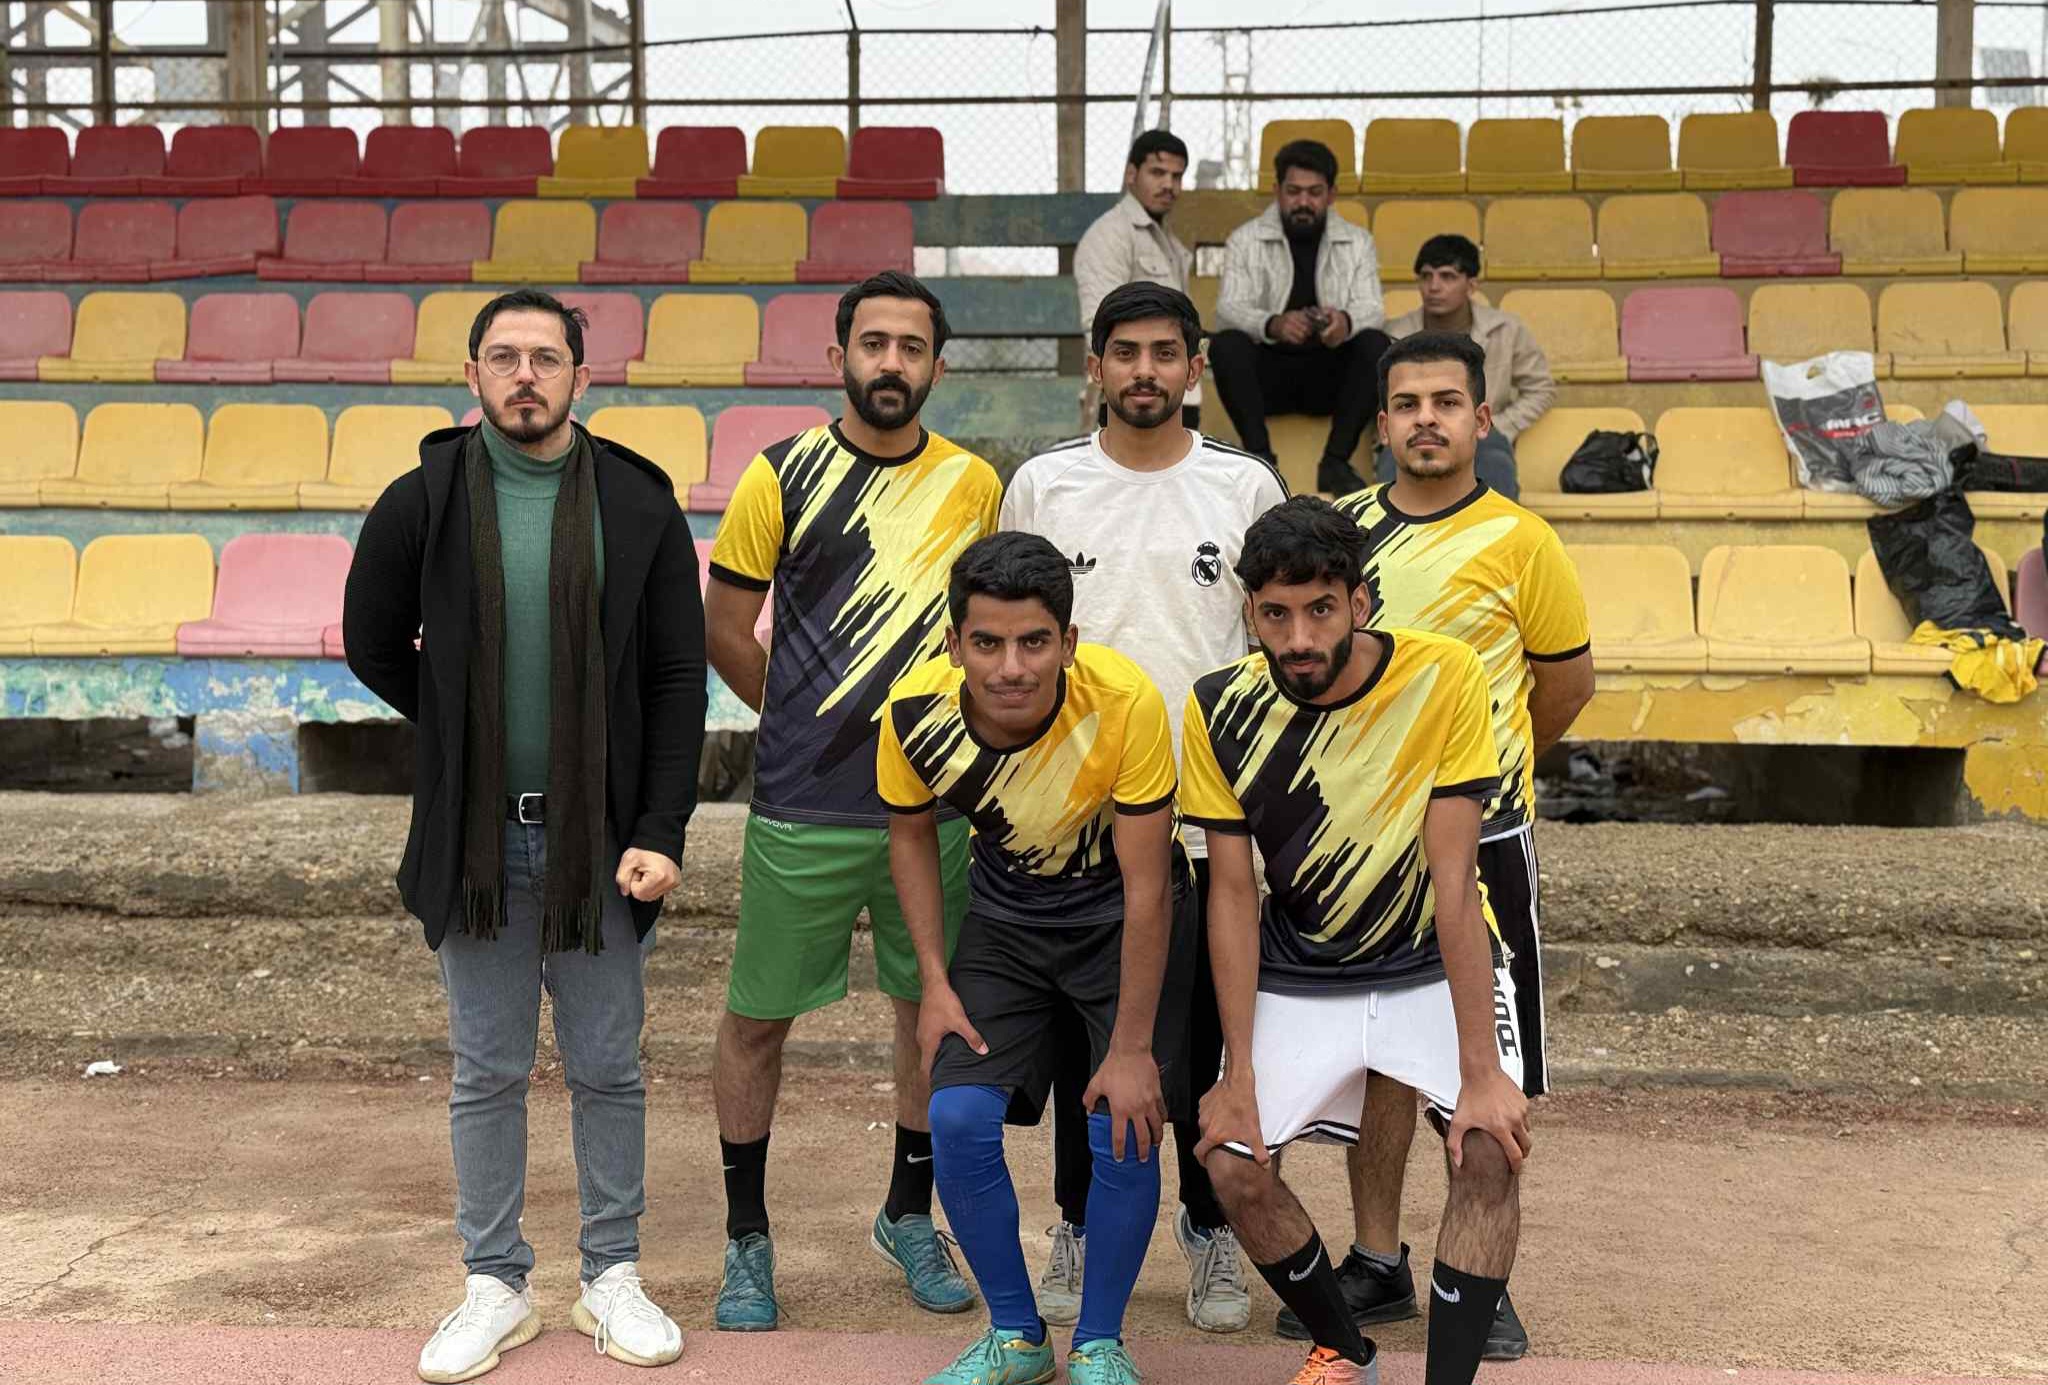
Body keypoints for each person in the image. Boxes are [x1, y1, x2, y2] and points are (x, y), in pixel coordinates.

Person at [344, 288, 705, 1382]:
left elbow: (676, 677)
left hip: (603, 843)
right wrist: (458, 722)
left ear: (581, 378)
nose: (525, 376)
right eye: (503, 357)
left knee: (608, 1068)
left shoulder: (636, 502)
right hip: (478, 843)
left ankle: (611, 1274)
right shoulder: (424, 497)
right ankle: (494, 1283)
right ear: (473, 376)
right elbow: (370, 639)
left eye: (546, 358)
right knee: (487, 1070)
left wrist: (661, 825)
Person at [702, 271, 1004, 1332]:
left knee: (931, 1015)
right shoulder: (778, 474)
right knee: (757, 1020)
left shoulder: (974, 483)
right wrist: (803, 719)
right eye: (873, 343)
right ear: (839, 356)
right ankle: (746, 1237)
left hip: (937, 805)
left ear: (937, 365)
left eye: (910, 346)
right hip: (803, 804)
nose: (890, 362)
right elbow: (726, 628)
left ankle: (907, 1214)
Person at [1182, 495, 1530, 1385]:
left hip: (1426, 958)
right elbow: (1232, 892)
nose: (1298, 637)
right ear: (1249, 610)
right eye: (1275, 614)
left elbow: (1454, 883)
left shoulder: (1444, 674)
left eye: (1321, 610)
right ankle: (1346, 1349)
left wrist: (1481, 1073)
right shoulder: (1217, 705)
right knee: (1230, 1159)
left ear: (1361, 603)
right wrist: (1237, 1074)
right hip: (1302, 969)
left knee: (1488, 1147)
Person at [1002, 280, 1285, 1335]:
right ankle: (1076, 1221)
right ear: (1096, 365)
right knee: (1093, 1042)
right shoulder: (1043, 483)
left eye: (1165, 352)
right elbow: (1009, 634)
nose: (1144, 371)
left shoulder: (1243, 486)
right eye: (1125, 352)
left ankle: (1209, 1223)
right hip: (1076, 821)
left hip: (1208, 817)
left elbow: (1271, 648)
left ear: (1194, 367)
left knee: (1204, 1042)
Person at [1322, 332, 1593, 1363]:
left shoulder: (1522, 540)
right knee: (1377, 1059)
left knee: (1484, 1060)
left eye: (1445, 401)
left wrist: (1486, 770)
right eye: (1406, 403)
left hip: (1485, 843)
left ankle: (1478, 1273)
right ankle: (1377, 1259)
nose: (1425, 419)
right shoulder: (1342, 533)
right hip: (1361, 845)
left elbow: (1563, 687)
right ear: (1381, 423)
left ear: (1481, 418)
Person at [879, 531, 1194, 1385]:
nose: (1011, 666)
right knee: (956, 1116)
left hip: (1119, 917)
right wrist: (935, 980)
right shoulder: (912, 711)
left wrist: (1133, 1046)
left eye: (1033, 642)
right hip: (1007, 921)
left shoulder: (1125, 700)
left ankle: (1099, 1342)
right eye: (987, 642)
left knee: (1122, 1120)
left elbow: (1148, 886)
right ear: (954, 643)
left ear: (1068, 642)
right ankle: (1018, 1337)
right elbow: (910, 838)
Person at [1209, 138, 1389, 498]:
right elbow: (1229, 308)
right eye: (1293, 192)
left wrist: (1344, 322)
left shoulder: (1358, 242)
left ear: (1331, 194)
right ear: (1277, 191)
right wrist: (1272, 324)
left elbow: (1373, 308)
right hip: (1269, 376)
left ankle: (1335, 463)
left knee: (1376, 344)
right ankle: (1260, 459)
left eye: (1314, 192)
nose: (1303, 202)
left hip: (1331, 377)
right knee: (1226, 345)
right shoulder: (1245, 240)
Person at [1372, 235, 1556, 501]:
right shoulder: (1393, 333)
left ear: (1471, 285)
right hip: (1412, 431)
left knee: (1496, 463)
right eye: (1426, 276)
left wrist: (1499, 425)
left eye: (1447, 276)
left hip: (1482, 434)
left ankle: (1497, 531)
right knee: (1392, 465)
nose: (1434, 287)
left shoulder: (1506, 329)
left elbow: (1541, 388)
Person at [1074, 129, 1199, 429]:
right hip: (1125, 394)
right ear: (1131, 175)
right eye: (1157, 173)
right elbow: (1097, 323)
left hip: (1171, 391)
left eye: (1176, 176)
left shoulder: (1168, 242)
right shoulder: (1110, 235)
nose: (1168, 185)